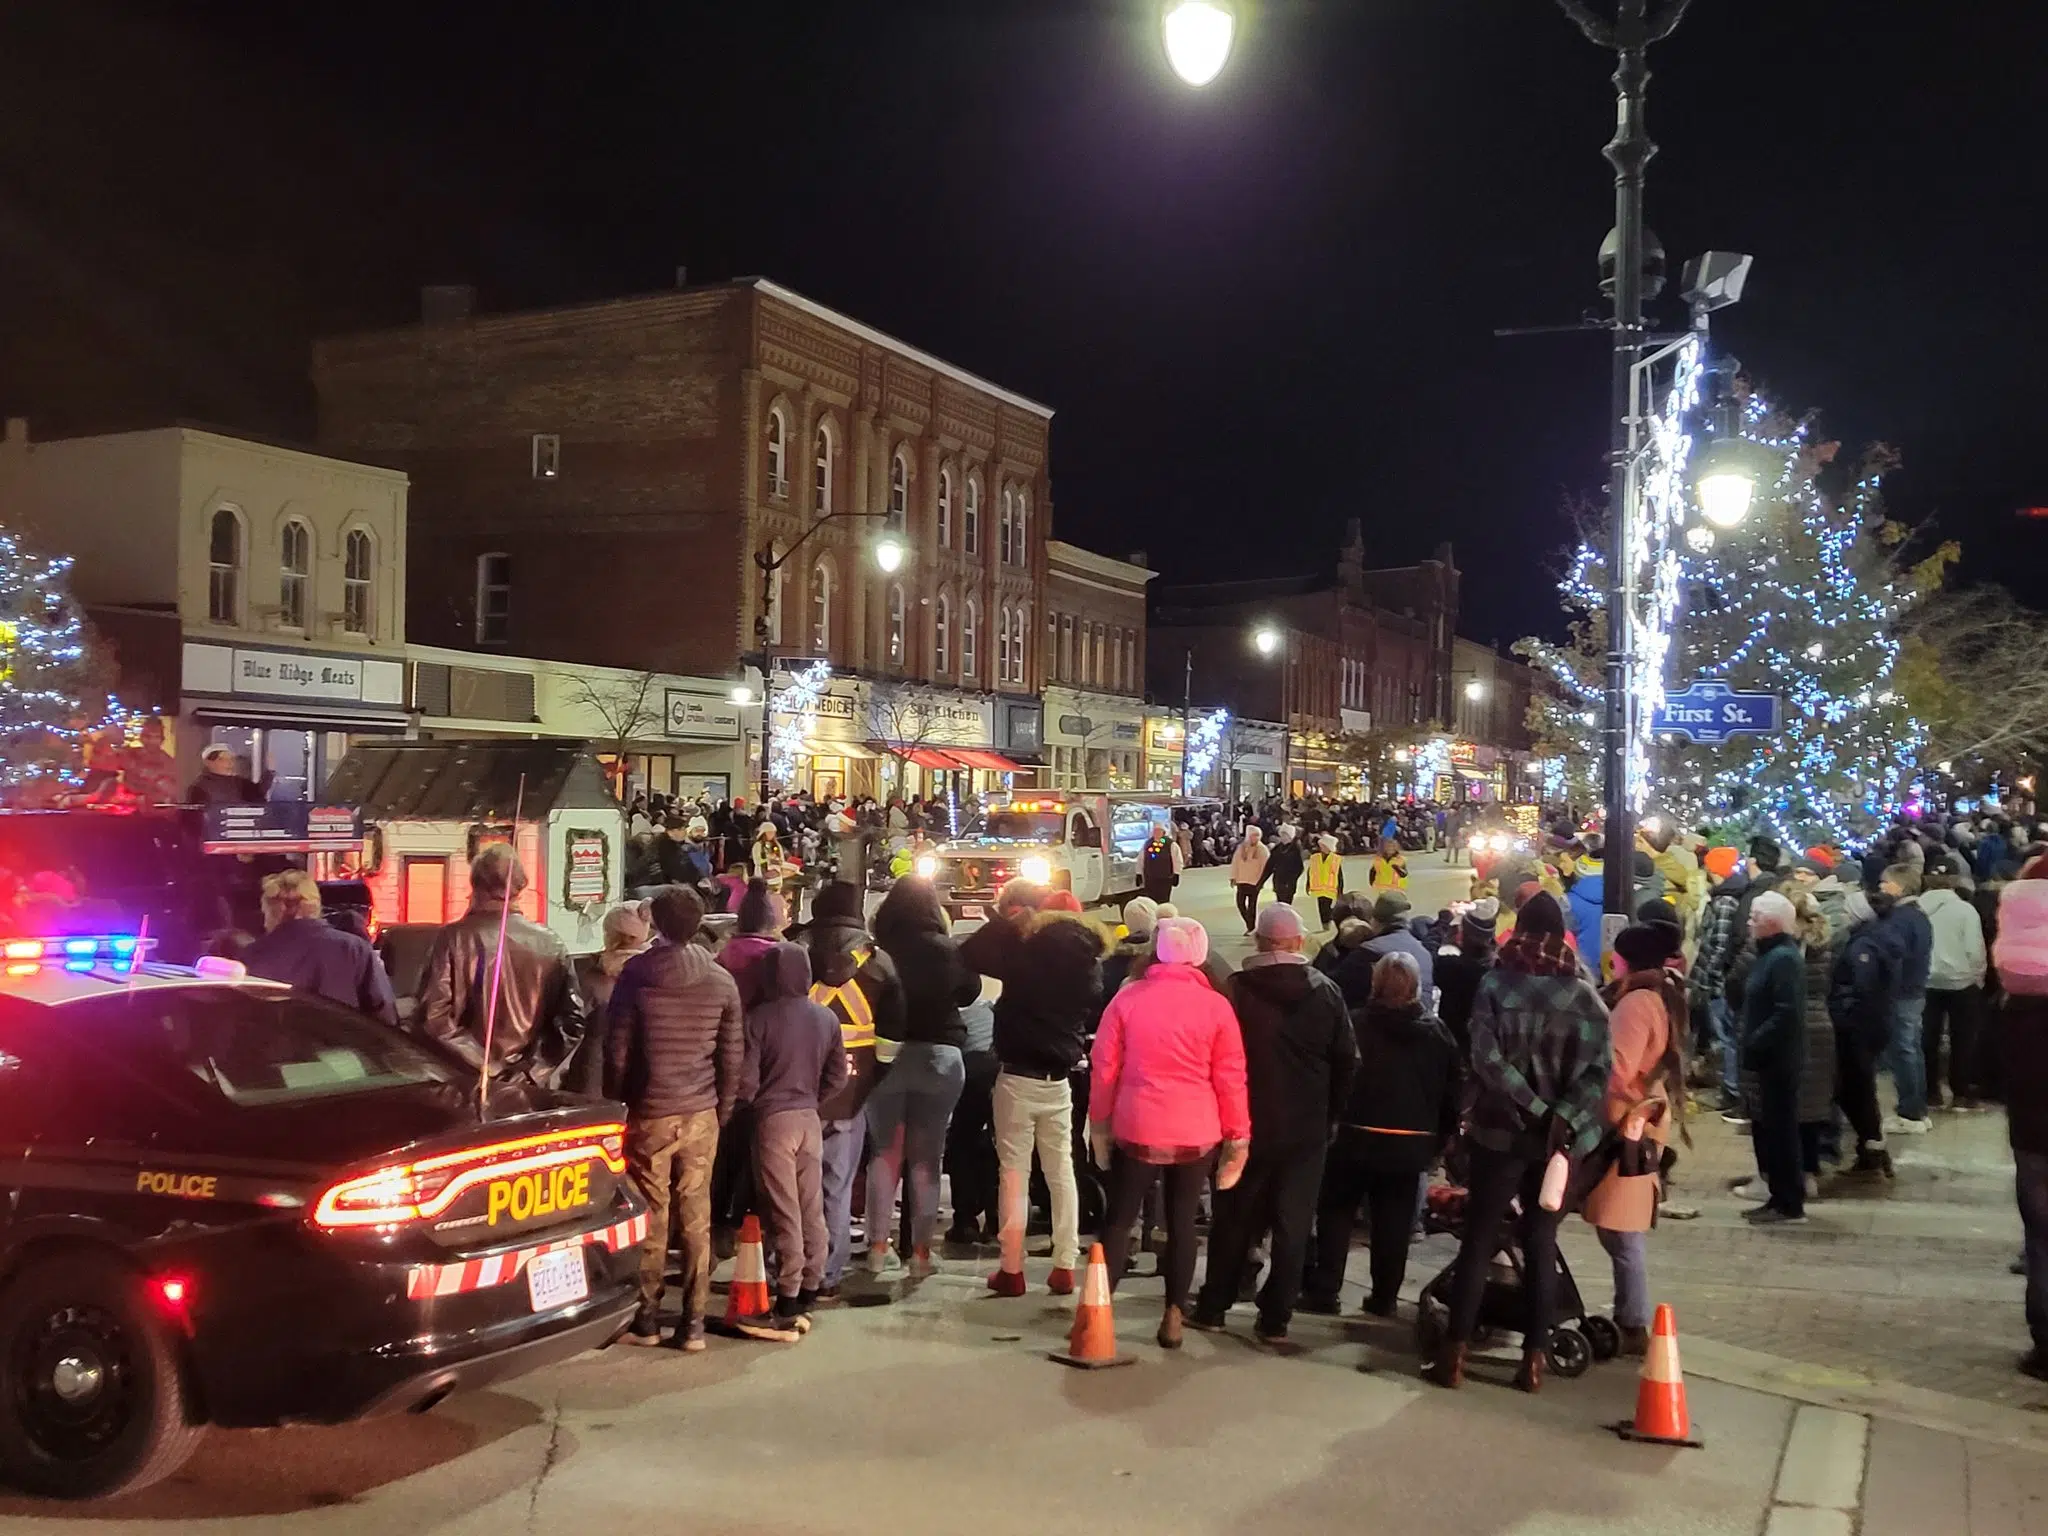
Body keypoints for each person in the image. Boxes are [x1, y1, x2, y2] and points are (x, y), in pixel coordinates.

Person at [1428, 892, 1609, 1393]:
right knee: (1540, 1242)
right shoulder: (1585, 998)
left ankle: (1455, 1354)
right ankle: (1533, 1359)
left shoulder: (1495, 984)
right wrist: (1562, 1116)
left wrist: (1530, 1104)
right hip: (1554, 1144)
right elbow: (1598, 1074)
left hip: (1498, 1132)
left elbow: (1486, 1059)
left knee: (1481, 1238)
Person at [1193, 903, 1357, 1344]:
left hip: (1244, 1123)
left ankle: (1213, 1307)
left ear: (1261, 942)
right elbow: (1347, 1061)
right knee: (1294, 1223)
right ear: (1299, 942)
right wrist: (1332, 1115)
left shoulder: (1237, 991)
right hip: (1306, 1128)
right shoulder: (1325, 992)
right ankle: (1275, 1317)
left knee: (1234, 1218)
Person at [1089, 916, 1249, 1350]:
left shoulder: (1126, 999)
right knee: (1181, 1222)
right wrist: (1238, 1136)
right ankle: (1174, 1314)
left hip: (1137, 1125)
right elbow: (1231, 1077)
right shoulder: (1217, 1006)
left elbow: (1105, 1069)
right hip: (1196, 1130)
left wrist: (1099, 1124)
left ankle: (1097, 1311)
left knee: (1120, 1220)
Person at [605, 885, 745, 1350]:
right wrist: (720, 1111)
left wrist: (620, 1105)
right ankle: (694, 1323)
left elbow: (618, 1051)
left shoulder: (636, 975)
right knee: (696, 1214)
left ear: (658, 924)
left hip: (650, 1113)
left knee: (653, 1214)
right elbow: (731, 1057)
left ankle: (646, 1317)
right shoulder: (721, 981)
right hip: (701, 1112)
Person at [1303, 951, 1459, 1317]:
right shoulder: (1437, 1035)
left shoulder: (1355, 1023)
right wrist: (1439, 1141)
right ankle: (1384, 1297)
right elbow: (1452, 1093)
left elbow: (1335, 1076)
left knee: (1336, 1214)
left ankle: (1326, 1290)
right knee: (1394, 1223)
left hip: (1353, 1138)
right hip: (1409, 1143)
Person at [982, 901, 1106, 1297]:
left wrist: (1008, 924)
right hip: (1060, 1081)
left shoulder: (1025, 960)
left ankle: (1012, 1269)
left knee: (1014, 1173)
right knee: (1061, 1171)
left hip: (1018, 1077)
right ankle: (1064, 1265)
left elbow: (970, 954)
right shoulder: (1088, 967)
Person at [1581, 921, 1687, 1353]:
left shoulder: (1637, 1003)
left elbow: (1617, 1069)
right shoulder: (1665, 994)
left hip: (1626, 1123)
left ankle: (1633, 1322)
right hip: (1642, 1119)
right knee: (1620, 1226)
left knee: (1621, 1228)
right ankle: (1631, 1316)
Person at [864, 877, 977, 1278]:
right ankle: (921, 1255)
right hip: (940, 1056)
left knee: (885, 1153)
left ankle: (877, 1249)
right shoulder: (947, 949)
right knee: (927, 1159)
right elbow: (969, 993)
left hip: (887, 1056)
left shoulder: (880, 951)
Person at [737, 941, 847, 1338]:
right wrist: (813, 1100)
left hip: (774, 1122)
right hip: (809, 1120)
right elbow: (838, 1074)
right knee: (811, 1206)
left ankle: (787, 1292)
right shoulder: (826, 1018)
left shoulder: (759, 1019)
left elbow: (746, 1083)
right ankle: (812, 1283)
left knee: (783, 1210)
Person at [802, 880, 903, 1298]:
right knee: (836, 1187)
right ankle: (828, 1271)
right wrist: (873, 1077)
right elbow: (894, 1032)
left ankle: (788, 1265)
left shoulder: (797, 953)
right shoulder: (878, 962)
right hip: (852, 1089)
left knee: (793, 1186)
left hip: (798, 1090)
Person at [413, 846, 587, 1087]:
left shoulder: (453, 938)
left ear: (476, 885)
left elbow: (432, 1017)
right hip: (530, 1086)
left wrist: (487, 1067)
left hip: (466, 1080)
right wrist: (532, 1072)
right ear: (519, 886)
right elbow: (572, 1021)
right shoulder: (551, 942)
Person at [1994, 857, 2048, 1379]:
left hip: (2033, 1132)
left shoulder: (2017, 1009)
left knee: (2041, 1237)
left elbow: (1994, 1070)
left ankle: (2046, 1344)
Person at [242, 869, 398, 1026]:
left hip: (279, 1048)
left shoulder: (253, 955)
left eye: (265, 913)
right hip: (341, 1047)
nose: (264, 922)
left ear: (277, 911)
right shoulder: (354, 949)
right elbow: (384, 1013)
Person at [1737, 891, 1809, 1225]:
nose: (1749, 924)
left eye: (1754, 918)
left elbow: (1786, 1012)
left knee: (1781, 1132)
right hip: (1769, 1057)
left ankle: (1789, 1201)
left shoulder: (1783, 959)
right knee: (1772, 1129)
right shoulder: (1772, 955)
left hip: (1778, 1059)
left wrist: (1755, 1042)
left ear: (1771, 923)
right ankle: (1779, 1197)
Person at [1831, 888, 1902, 1177]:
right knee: (1860, 1089)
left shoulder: (1864, 946)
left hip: (1858, 1028)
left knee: (1855, 1089)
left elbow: (1863, 988)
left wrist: (1842, 1012)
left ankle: (1873, 1150)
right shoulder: (1877, 939)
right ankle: (1871, 1148)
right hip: (1872, 1025)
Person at [1922, 868, 1990, 1111]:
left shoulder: (1916, 909)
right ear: (1953, 880)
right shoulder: (1965, 910)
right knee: (1963, 1038)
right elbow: (1974, 948)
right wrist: (1977, 976)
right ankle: (1961, 1091)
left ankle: (1930, 1092)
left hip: (1926, 981)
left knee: (1927, 1038)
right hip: (1961, 981)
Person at [568, 901, 653, 1095]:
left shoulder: (589, 977)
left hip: (595, 1081)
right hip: (646, 1083)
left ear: (609, 935)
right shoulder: (657, 973)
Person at [1879, 864, 1936, 1134]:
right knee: (1911, 1049)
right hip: (1915, 990)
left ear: (1899, 886)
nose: (1881, 887)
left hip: (1901, 992)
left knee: (1903, 1051)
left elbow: (1894, 956)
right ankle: (1917, 1107)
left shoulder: (1901, 919)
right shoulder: (1919, 916)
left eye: (1885, 882)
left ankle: (1910, 1112)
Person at [1434, 897, 1499, 1055]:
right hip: (1488, 1050)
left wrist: (1447, 924)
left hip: (1454, 1048)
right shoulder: (1499, 969)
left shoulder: (1449, 967)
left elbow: (1430, 951)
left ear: (1463, 934)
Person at [184, 742, 272, 806]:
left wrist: (269, 772)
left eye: (231, 759)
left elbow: (258, 795)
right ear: (208, 762)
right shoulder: (199, 787)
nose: (229, 763)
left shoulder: (240, 783)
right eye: (223, 759)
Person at [1230, 825, 1270, 934]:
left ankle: (1251, 927)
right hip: (1241, 880)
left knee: (1252, 905)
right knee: (1240, 904)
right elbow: (1235, 863)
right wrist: (1233, 877)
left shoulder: (1262, 849)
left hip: (1254, 882)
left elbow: (1265, 867)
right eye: (1253, 835)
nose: (1255, 838)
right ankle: (1250, 924)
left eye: (1257, 836)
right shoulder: (1242, 848)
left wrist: (1262, 881)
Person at [1307, 834, 1345, 930]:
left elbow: (1339, 876)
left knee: (1328, 909)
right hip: (1318, 888)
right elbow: (1310, 871)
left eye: (1323, 845)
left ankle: (1329, 923)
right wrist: (1308, 884)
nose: (1321, 847)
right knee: (1321, 909)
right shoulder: (1315, 857)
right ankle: (1325, 926)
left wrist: (1340, 891)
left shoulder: (1335, 859)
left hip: (1330, 889)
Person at [1265, 824, 1305, 910]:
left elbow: (1299, 868)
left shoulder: (1295, 849)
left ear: (1290, 836)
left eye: (1285, 834)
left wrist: (1291, 881)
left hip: (1289, 885)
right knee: (1280, 905)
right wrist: (1261, 881)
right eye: (1282, 834)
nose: (1282, 837)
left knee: (1286, 906)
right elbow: (1269, 866)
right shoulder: (1277, 848)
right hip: (1278, 882)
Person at [1140, 823, 1182, 904]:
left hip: (1165, 877)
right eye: (1155, 831)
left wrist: (1177, 873)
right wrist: (1139, 873)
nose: (1157, 833)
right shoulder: (1148, 843)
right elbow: (1141, 858)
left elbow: (1177, 859)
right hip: (1150, 877)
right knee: (1151, 899)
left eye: (1159, 831)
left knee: (1163, 899)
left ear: (1163, 832)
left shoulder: (1170, 844)